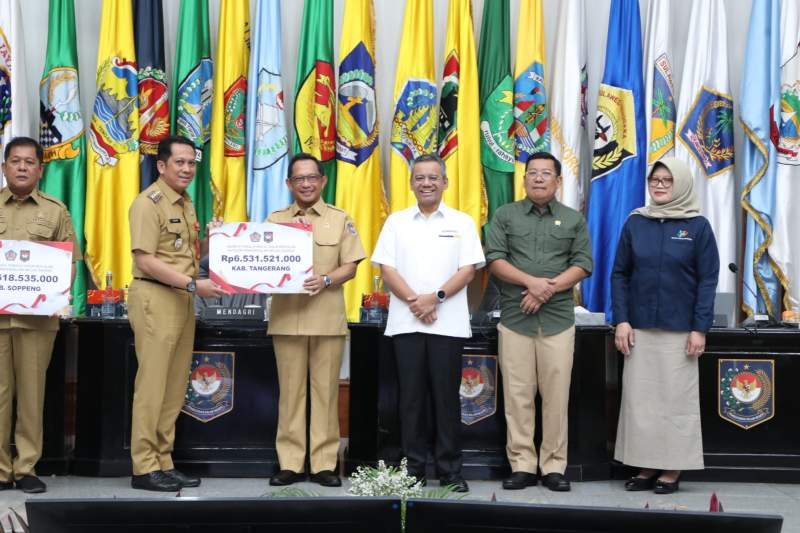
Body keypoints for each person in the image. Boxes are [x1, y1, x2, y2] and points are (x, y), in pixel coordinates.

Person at [371, 153, 485, 493]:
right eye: (419, 177)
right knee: (410, 400)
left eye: (433, 177)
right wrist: (415, 302)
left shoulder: (462, 222)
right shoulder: (396, 222)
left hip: (447, 325)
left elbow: (468, 270)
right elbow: (387, 269)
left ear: (445, 182)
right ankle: (414, 470)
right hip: (406, 324)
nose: (426, 183)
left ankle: (450, 471)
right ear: (411, 184)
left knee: (446, 399)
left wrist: (434, 298)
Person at [485, 152, 592, 492]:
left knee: (556, 398)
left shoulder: (573, 219)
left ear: (558, 181)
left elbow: (583, 264)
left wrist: (545, 290)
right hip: (516, 319)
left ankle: (554, 467)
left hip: (558, 321)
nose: (539, 178)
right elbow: (494, 260)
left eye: (546, 173)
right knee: (518, 397)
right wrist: (531, 283)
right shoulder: (506, 215)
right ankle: (522, 465)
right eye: (532, 173)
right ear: (524, 179)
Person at [612, 157, 719, 495]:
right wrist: (621, 320)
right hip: (639, 328)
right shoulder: (636, 222)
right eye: (654, 180)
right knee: (641, 402)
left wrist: (700, 328)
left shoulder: (697, 226)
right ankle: (645, 466)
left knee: (675, 402)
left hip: (680, 330)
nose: (659, 185)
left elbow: (707, 280)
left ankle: (672, 469)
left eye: (667, 180)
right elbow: (620, 274)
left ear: (681, 184)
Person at [128, 136, 228, 491]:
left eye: (191, 163)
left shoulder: (185, 203)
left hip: (182, 299)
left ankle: (163, 461)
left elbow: (186, 252)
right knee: (152, 386)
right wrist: (192, 285)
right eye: (179, 162)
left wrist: (214, 240)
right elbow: (145, 260)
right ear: (161, 165)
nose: (187, 169)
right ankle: (144, 467)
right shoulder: (148, 203)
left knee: (173, 389)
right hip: (156, 297)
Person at [267, 153, 365, 488]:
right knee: (290, 394)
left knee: (325, 394)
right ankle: (291, 463)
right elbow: (256, 260)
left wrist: (325, 280)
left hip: (326, 318)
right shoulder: (274, 220)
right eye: (299, 179)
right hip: (286, 318)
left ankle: (324, 464)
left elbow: (351, 266)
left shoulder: (340, 218)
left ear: (323, 181)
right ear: (289, 184)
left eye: (312, 177)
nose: (306, 184)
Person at [0, 137, 81, 494]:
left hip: (38, 320)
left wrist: (58, 293)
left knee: (32, 397)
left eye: (29, 162)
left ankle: (26, 468)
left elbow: (70, 263)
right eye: (15, 161)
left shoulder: (55, 211)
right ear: (4, 167)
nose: (22, 167)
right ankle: (0, 470)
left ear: (40, 169)